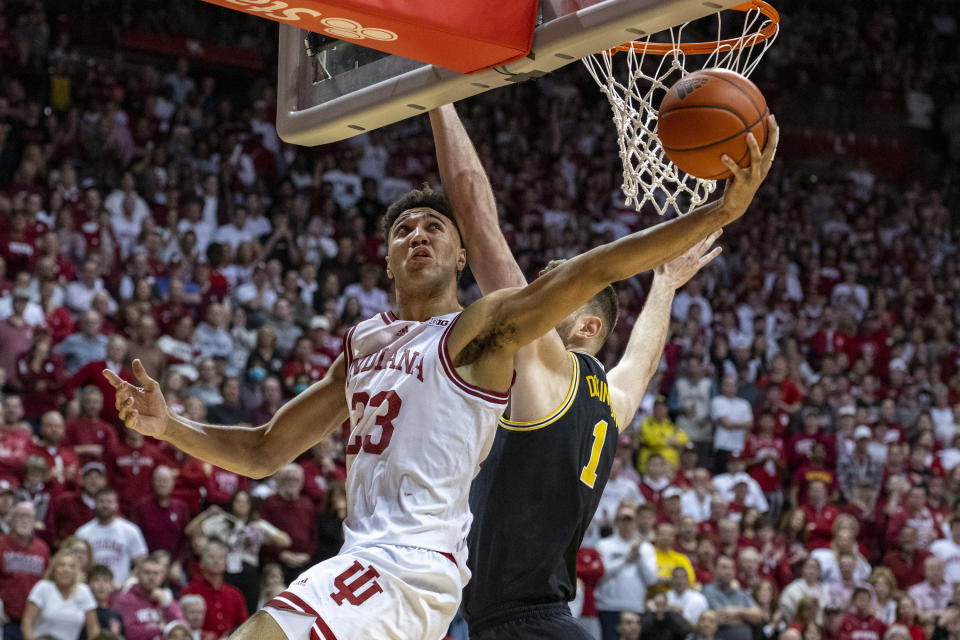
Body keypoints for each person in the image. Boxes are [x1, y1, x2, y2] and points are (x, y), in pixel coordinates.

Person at [105, 108, 777, 640]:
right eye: (404, 231)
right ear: (387, 261)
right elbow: (261, 451)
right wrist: (170, 426)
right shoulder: (365, 341)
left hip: (408, 569)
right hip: (386, 568)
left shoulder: (484, 333)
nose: (418, 235)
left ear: (461, 258)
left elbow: (586, 267)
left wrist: (717, 211)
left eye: (433, 227)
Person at [429, 104, 743, 640]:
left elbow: (476, 218)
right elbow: (641, 361)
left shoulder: (545, 367)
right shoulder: (610, 402)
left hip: (518, 626)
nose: (539, 297)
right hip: (549, 622)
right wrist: (665, 284)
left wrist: (436, 95)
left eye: (557, 293)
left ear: (585, 328)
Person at [76, 487, 149, 586]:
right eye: (101, 501)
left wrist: (127, 582)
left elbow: (142, 562)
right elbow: (76, 563)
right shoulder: (83, 532)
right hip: (90, 590)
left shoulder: (130, 530)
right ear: (94, 503)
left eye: (109, 502)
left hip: (120, 590)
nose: (105, 505)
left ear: (116, 505)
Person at [21, 549, 100, 640]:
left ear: (77, 571)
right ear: (54, 569)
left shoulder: (84, 591)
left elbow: (93, 629)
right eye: (61, 565)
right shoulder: (43, 587)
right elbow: (27, 622)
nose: (66, 570)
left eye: (71, 566)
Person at [0, 501, 50, 640]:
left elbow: (47, 582)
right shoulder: (1, 544)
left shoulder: (42, 548)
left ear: (34, 521)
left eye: (28, 517)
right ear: (11, 518)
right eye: (20, 516)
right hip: (6, 621)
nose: (24, 520)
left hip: (35, 623)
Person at [180, 540, 248, 638]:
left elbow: (244, 625)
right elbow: (181, 622)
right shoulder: (190, 590)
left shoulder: (235, 593)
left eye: (221, 558)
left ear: (226, 563)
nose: (216, 561)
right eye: (211, 557)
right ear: (201, 563)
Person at [114, 553, 184, 640]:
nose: (152, 577)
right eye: (147, 572)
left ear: (162, 576)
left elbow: (181, 629)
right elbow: (130, 632)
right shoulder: (125, 599)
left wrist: (166, 605)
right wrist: (160, 629)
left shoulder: (165, 598)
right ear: (138, 574)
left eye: (156, 573)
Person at [702, 555, 764, 640]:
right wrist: (746, 619)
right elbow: (718, 619)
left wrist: (736, 611)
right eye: (724, 568)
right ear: (715, 569)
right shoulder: (708, 591)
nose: (729, 572)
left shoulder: (740, 593)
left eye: (732, 568)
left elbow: (758, 615)